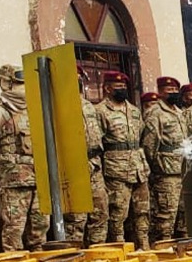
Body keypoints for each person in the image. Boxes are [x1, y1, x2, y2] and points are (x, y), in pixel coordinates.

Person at [0, 65, 46, 252]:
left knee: (40, 228)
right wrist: (0, 175)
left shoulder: (36, 109)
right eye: (18, 84)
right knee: (14, 230)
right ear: (6, 84)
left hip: (39, 178)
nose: (22, 88)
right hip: (14, 182)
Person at [96, 71, 150, 249]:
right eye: (118, 87)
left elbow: (142, 136)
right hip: (116, 170)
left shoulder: (134, 111)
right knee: (118, 212)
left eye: (124, 87)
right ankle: (120, 247)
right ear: (107, 88)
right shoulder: (100, 111)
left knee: (142, 210)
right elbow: (98, 142)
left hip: (138, 168)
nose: (122, 90)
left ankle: (144, 245)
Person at [64, 68, 108, 246]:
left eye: (79, 79)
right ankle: (75, 258)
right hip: (74, 166)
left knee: (100, 213)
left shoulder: (88, 105)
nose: (77, 83)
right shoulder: (57, 105)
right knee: (76, 219)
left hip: (94, 165)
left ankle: (97, 253)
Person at [145, 76, 191, 240]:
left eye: (175, 90)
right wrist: (155, 168)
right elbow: (149, 145)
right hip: (165, 171)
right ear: (160, 92)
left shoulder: (179, 113)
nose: (173, 93)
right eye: (169, 90)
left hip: (183, 168)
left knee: (184, 211)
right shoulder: (155, 113)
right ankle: (165, 245)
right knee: (167, 214)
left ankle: (183, 242)